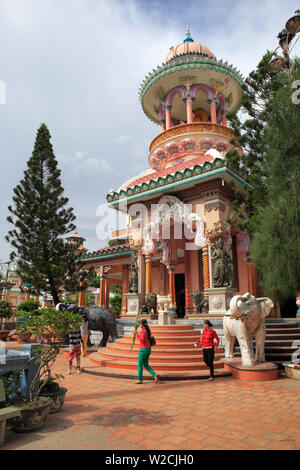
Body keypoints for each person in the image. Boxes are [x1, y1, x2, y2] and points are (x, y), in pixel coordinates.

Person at [135, 319, 160, 384]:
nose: (140, 325)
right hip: (148, 349)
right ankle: (155, 375)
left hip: (143, 350)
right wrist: (138, 334)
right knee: (145, 364)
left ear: (142, 325)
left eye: (140, 324)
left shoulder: (143, 331)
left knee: (140, 364)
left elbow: (142, 340)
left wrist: (137, 335)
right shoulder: (148, 330)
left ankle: (140, 379)